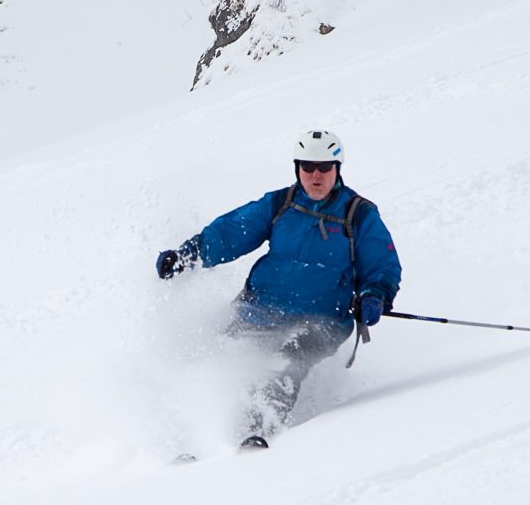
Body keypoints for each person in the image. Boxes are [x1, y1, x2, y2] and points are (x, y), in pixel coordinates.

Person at [156, 130, 401, 448]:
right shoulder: (280, 204)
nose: (316, 175)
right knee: (219, 360)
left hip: (322, 321)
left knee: (286, 361)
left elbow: (383, 266)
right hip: (260, 308)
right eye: (308, 166)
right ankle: (187, 440)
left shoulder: (358, 214)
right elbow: (232, 232)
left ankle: (255, 434)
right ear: (297, 168)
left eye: (324, 167)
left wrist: (374, 295)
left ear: (337, 169)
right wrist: (188, 255)